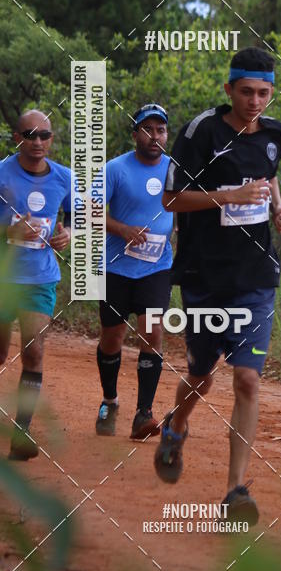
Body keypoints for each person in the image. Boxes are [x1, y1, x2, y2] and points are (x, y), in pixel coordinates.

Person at [154, 47, 281, 526]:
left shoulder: (275, 134)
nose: (255, 101)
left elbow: (269, 175)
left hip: (255, 276)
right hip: (202, 276)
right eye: (247, 91)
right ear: (229, 89)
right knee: (202, 376)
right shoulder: (201, 132)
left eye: (265, 93)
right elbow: (172, 200)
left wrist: (277, 207)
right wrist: (226, 198)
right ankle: (176, 425)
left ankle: (235, 491)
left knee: (248, 379)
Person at [96, 104, 173, 439]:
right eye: (147, 129)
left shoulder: (175, 169)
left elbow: (182, 210)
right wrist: (122, 230)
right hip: (116, 268)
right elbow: (90, 213)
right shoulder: (115, 169)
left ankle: (144, 413)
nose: (154, 136)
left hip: (157, 267)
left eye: (160, 130)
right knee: (112, 337)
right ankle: (110, 400)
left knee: (152, 334)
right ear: (135, 134)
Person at [0, 110, 71, 460]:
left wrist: (67, 233)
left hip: (40, 277)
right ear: (18, 138)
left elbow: (79, 215)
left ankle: (21, 432)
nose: (38, 142)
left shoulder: (63, 178)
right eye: (30, 135)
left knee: (34, 352)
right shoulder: (1, 173)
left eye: (45, 135)